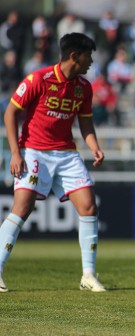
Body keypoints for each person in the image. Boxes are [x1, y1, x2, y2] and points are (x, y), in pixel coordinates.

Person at [0, 33, 106, 293]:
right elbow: (10, 113)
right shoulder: (38, 79)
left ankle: (88, 275)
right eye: (88, 56)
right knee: (22, 208)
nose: (91, 61)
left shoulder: (84, 86)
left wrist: (94, 147)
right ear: (74, 56)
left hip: (66, 153)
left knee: (89, 207)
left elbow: (85, 122)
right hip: (34, 151)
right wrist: (15, 152)